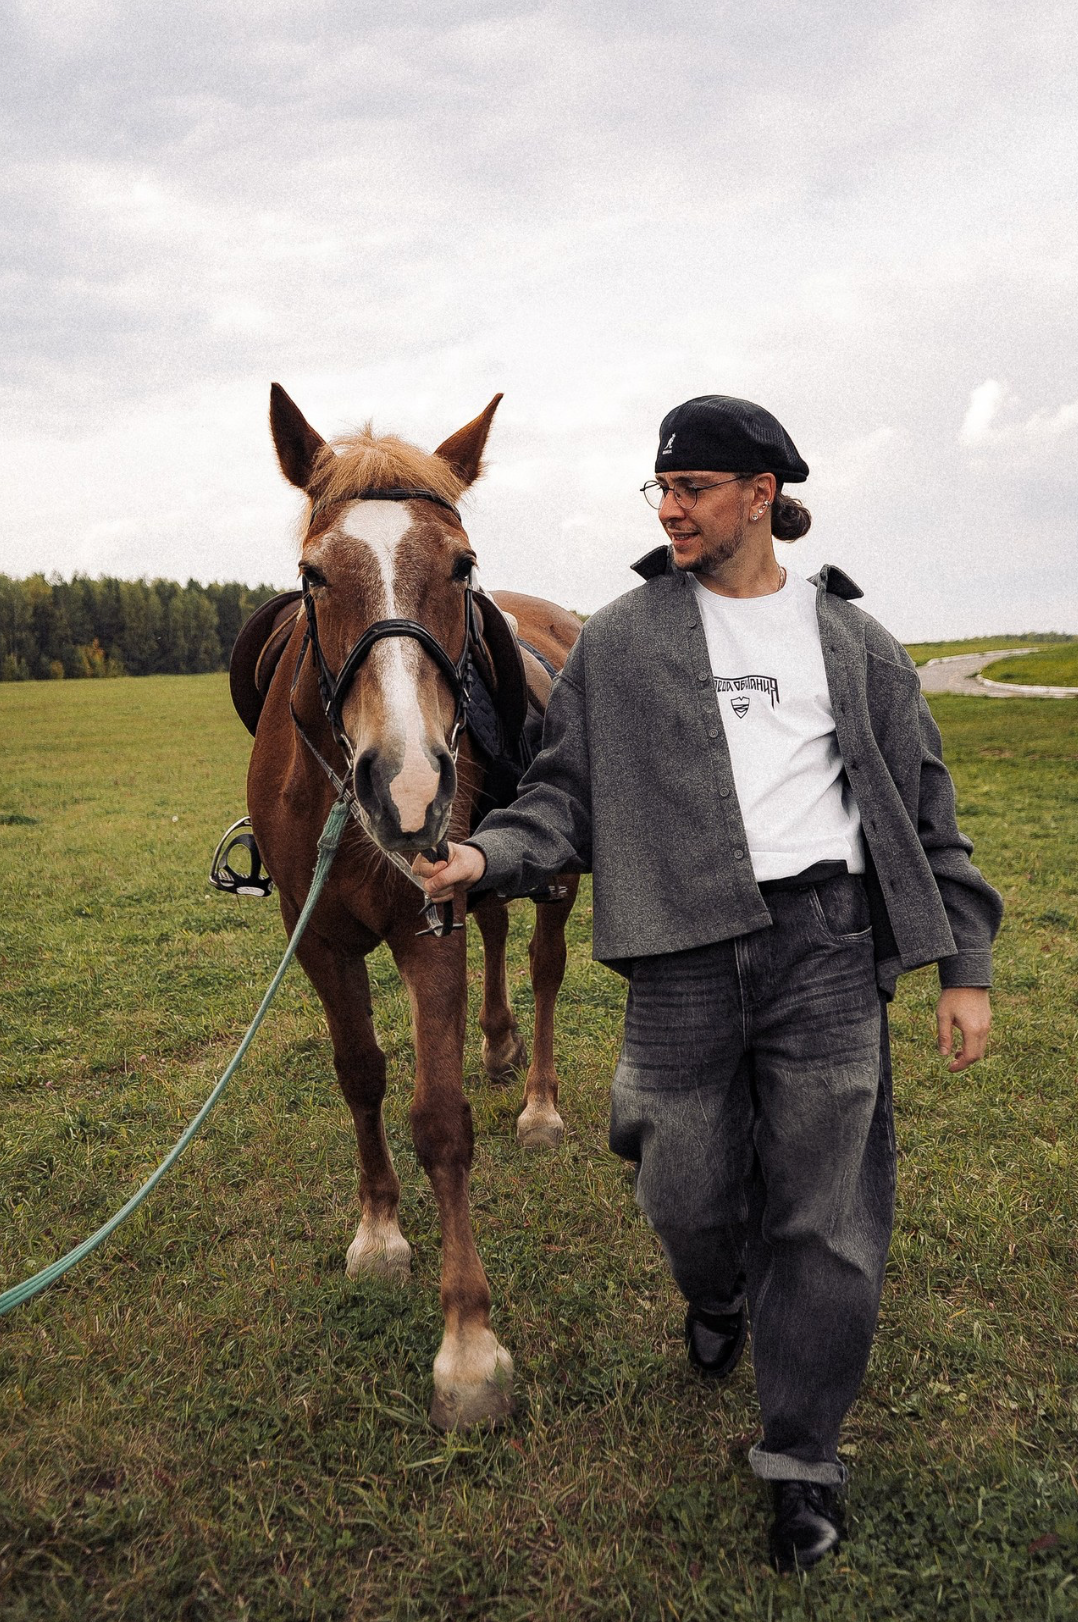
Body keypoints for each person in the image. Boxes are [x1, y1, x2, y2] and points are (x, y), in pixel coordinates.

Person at [413, 395, 1002, 1574]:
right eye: (660, 488)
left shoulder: (856, 642)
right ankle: (717, 1286)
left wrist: (961, 964)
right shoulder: (623, 640)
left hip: (827, 948)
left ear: (760, 496)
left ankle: (801, 1459)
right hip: (679, 951)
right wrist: (486, 854)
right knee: (680, 1182)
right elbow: (564, 794)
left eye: (691, 487)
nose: (669, 506)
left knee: (825, 1215)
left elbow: (923, 802)